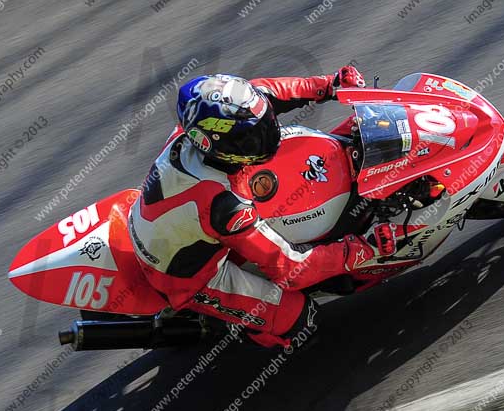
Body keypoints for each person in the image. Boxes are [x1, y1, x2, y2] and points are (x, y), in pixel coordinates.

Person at [128, 67, 390, 350]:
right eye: (251, 138)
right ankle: (241, 326)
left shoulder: (201, 122)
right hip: (188, 275)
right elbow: (291, 267)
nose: (268, 135)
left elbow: (266, 92)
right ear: (215, 143)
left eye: (265, 124)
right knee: (301, 320)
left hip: (173, 222)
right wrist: (361, 250)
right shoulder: (223, 204)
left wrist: (329, 85)